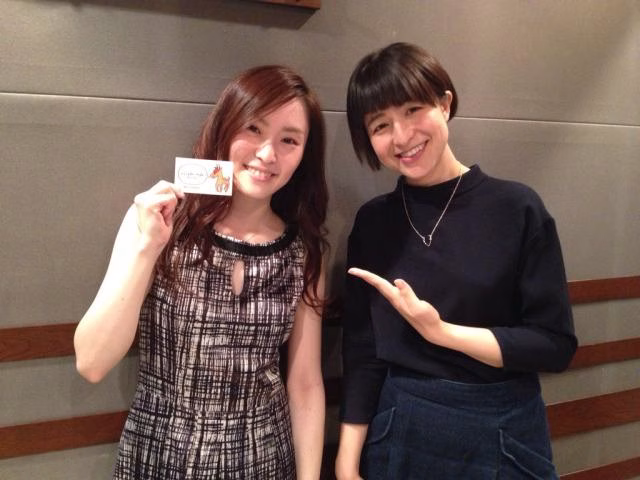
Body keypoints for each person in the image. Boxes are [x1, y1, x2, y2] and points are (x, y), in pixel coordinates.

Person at [335, 42, 578, 480]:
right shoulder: (373, 222)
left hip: (503, 427)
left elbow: (554, 345)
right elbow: (363, 351)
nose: (402, 136)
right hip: (401, 424)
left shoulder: (516, 208)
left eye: (413, 110)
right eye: (381, 125)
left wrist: (442, 333)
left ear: (444, 104)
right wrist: (347, 462)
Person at [74, 65, 328, 479]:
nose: (267, 154)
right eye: (253, 128)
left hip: (264, 457)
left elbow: (304, 384)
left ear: (304, 154)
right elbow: (92, 362)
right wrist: (147, 249)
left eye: (289, 140)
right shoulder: (156, 221)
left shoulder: (303, 252)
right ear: (225, 126)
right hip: (163, 452)